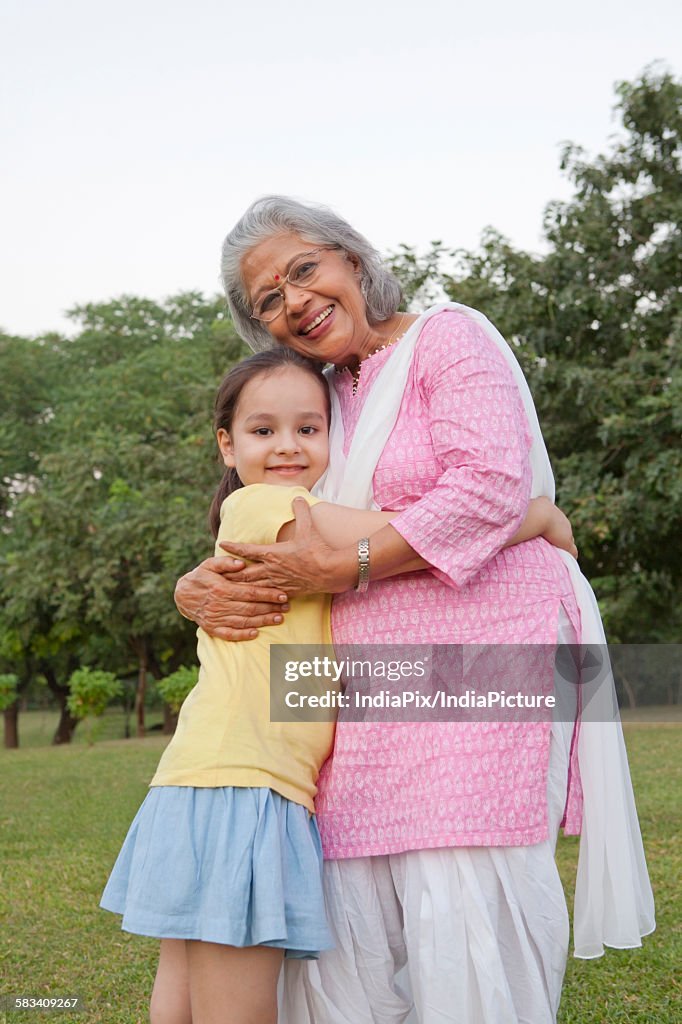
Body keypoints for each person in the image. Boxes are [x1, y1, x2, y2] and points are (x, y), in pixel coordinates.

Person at [174, 196, 654, 1024]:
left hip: (485, 645)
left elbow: (488, 487)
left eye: (303, 270)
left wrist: (351, 562)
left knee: (465, 889)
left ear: (353, 263)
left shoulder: (450, 338)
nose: (293, 299)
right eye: (267, 299)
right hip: (351, 694)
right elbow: (266, 506)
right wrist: (192, 586)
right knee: (352, 902)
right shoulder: (315, 396)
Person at [101, 345, 570, 1024]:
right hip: (244, 784)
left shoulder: (269, 513)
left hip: (209, 779)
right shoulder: (274, 508)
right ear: (226, 446)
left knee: (182, 998)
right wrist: (539, 518)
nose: (288, 446)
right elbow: (409, 535)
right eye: (264, 431)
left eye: (308, 429)